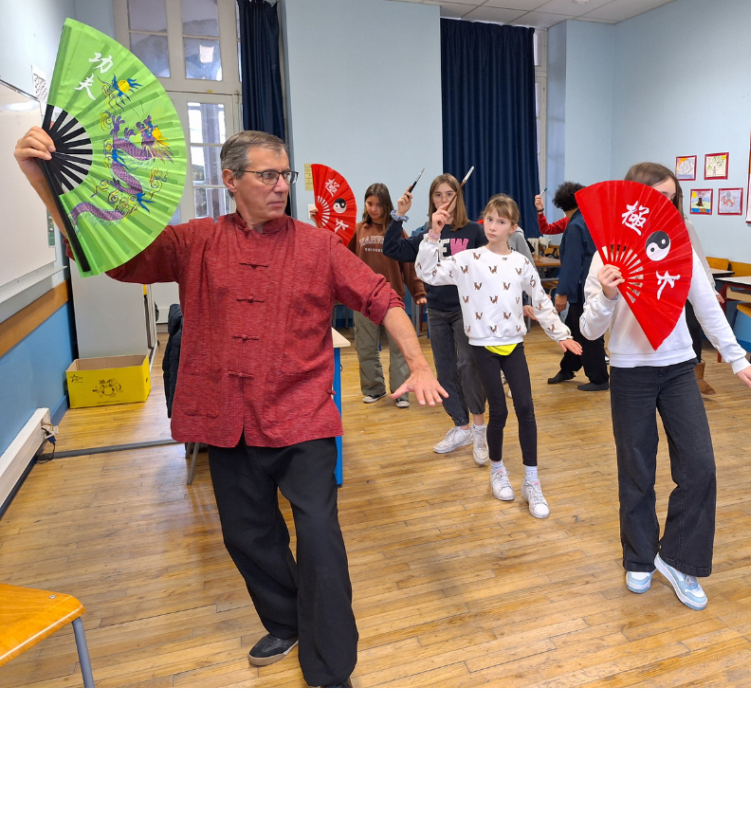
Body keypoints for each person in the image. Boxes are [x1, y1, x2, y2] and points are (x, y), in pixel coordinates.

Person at [14, 127, 445, 688]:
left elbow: (381, 298)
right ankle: (285, 621)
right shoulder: (195, 242)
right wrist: (44, 183)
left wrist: (418, 361)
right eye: (267, 175)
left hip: (301, 418)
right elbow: (112, 257)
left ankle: (333, 668)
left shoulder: (315, 247)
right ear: (231, 180)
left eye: (284, 175)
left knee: (319, 536)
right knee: (248, 536)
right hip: (226, 418)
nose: (280, 186)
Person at [580, 161, 751, 609]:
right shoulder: (605, 253)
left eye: (672, 199)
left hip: (678, 368)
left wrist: (737, 359)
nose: (666, 207)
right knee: (636, 469)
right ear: (634, 202)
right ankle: (639, 557)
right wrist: (609, 295)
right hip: (629, 371)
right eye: (657, 199)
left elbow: (706, 303)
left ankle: (679, 559)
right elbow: (590, 330)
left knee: (700, 466)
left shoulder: (679, 245)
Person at [416, 194, 581, 518]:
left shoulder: (520, 263)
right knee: (500, 412)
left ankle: (531, 481)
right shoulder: (468, 259)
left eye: (501, 221)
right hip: (482, 347)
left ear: (512, 227)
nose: (493, 226)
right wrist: (433, 235)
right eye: (489, 219)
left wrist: (560, 334)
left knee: (526, 409)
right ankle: (498, 470)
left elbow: (541, 300)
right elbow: (427, 272)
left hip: (513, 345)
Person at [383, 174, 489, 463]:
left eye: (449, 194)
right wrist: (399, 216)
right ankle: (461, 426)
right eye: (438, 195)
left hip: (468, 311)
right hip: (438, 311)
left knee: (468, 366)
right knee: (444, 371)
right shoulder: (427, 232)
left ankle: (480, 428)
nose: (444, 200)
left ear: (458, 197)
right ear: (431, 200)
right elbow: (391, 249)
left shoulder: (474, 233)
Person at [349, 183, 427, 408]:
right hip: (363, 298)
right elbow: (344, 260)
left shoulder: (396, 230)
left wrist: (418, 291)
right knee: (365, 346)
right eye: (369, 203)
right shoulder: (358, 230)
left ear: (387, 206)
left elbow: (408, 266)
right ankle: (374, 389)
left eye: (378, 205)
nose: (373, 208)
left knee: (399, 347)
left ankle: (401, 392)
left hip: (393, 299)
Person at [547, 182, 608, 390]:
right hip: (596, 284)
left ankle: (599, 378)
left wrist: (562, 293)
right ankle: (568, 368)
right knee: (574, 330)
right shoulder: (592, 219)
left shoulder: (575, 225)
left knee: (587, 333)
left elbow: (572, 263)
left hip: (582, 288)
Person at [683, 214, 725, 395]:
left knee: (692, 327)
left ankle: (695, 377)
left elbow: (698, 257)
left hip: (684, 286)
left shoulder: (684, 223)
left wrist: (711, 289)